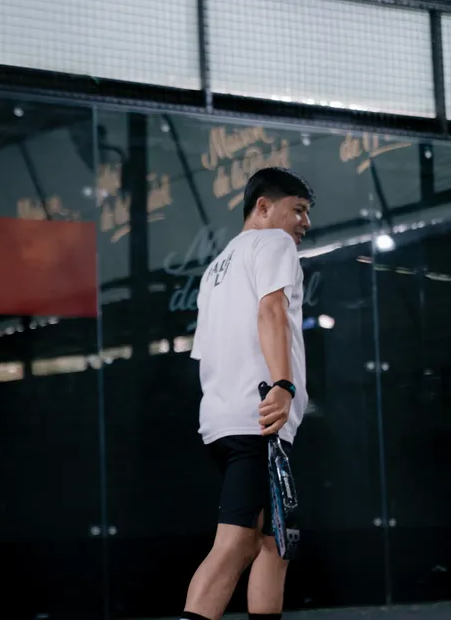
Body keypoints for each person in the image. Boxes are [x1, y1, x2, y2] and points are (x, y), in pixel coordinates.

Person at [180, 166, 315, 620]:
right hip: (258, 418)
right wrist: (283, 384)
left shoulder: (215, 269)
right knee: (236, 543)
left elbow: (206, 352)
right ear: (264, 207)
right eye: (298, 209)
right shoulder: (273, 243)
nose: (305, 222)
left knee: (276, 538)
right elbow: (271, 311)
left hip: (225, 420)